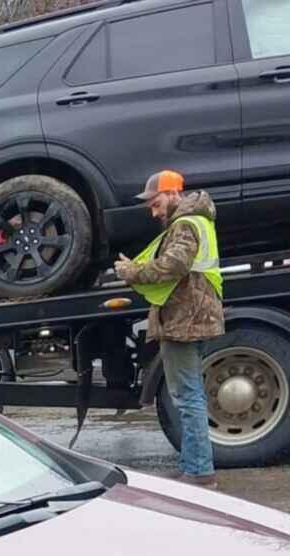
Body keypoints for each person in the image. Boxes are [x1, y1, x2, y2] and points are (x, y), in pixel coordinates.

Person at [114, 170, 223, 485]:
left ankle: (200, 471)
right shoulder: (197, 221)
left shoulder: (186, 224)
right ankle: (193, 465)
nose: (153, 209)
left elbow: (173, 266)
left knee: (188, 397)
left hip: (184, 321)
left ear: (173, 194)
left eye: (156, 201)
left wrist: (131, 271)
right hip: (194, 317)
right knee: (191, 395)